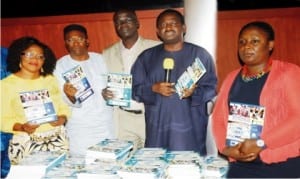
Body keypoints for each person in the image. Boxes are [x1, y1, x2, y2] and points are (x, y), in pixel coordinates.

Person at [212, 21, 300, 178]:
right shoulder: (231, 77)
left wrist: (261, 142)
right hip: (240, 164)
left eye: (255, 41)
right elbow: (218, 119)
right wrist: (226, 149)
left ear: (270, 45)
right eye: (242, 42)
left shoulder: (289, 73)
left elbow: (297, 119)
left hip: (280, 164)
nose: (247, 46)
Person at [130, 9, 217, 155]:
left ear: (184, 28)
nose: (168, 27)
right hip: (157, 129)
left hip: (189, 131)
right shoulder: (146, 57)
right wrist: (153, 88)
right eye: (163, 24)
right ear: (158, 31)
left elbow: (211, 88)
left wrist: (194, 92)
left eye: (173, 23)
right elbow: (134, 89)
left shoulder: (200, 55)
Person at [0, 36, 71, 164]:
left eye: (40, 56)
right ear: (19, 55)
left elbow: (63, 107)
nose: (35, 59)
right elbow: (2, 120)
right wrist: (22, 127)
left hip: (57, 140)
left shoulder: (50, 79)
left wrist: (62, 118)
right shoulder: (6, 85)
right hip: (25, 143)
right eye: (30, 54)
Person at [102, 9, 161, 150]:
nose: (123, 24)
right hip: (123, 120)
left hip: (150, 117)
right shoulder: (107, 53)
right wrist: (105, 92)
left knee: (151, 162)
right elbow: (105, 82)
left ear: (137, 23)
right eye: (118, 22)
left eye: (127, 19)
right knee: (126, 164)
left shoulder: (155, 48)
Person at [54, 24, 115, 156]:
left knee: (107, 163)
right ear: (66, 43)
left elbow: (111, 85)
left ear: (87, 41)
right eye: (70, 40)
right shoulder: (60, 65)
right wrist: (70, 96)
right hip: (80, 126)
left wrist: (108, 93)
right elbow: (63, 100)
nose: (75, 43)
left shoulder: (100, 59)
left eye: (79, 39)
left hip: (105, 123)